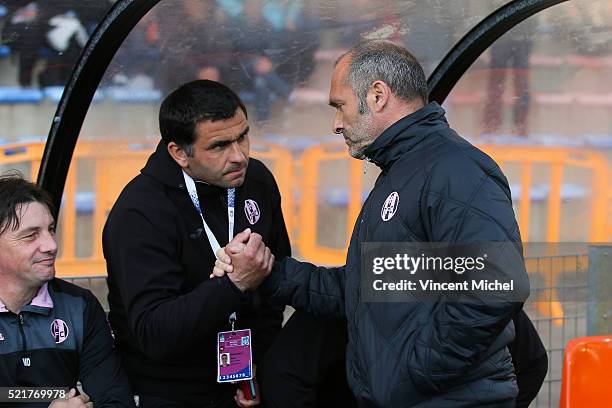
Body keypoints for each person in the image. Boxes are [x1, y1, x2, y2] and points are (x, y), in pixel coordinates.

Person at [214, 40, 536, 407]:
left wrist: (417, 374)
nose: (336, 124)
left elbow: (493, 288)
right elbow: (366, 286)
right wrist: (269, 274)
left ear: (378, 95)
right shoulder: (406, 169)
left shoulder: (454, 169)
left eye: (340, 106)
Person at [102, 79, 289, 408]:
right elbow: (154, 331)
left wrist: (259, 358)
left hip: (244, 378)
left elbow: (275, 277)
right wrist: (232, 285)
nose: (239, 156)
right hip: (170, 391)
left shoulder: (257, 180)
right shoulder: (140, 211)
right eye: (219, 146)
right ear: (179, 153)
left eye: (243, 136)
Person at [0, 173, 134, 408]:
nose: (51, 245)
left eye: (51, 229)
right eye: (31, 235)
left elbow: (115, 399)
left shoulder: (78, 306)